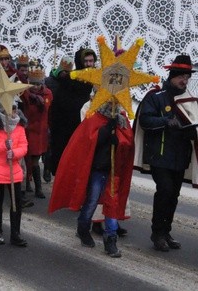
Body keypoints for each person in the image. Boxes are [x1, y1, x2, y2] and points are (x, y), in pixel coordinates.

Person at [49, 102, 134, 257]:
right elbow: (89, 140)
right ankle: (83, 228)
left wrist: (120, 141)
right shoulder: (94, 117)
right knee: (92, 201)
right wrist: (107, 130)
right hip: (98, 169)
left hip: (114, 170)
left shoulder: (122, 120)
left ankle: (111, 240)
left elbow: (128, 143)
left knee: (112, 204)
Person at [137, 54, 198, 252]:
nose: (184, 80)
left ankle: (166, 231)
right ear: (172, 76)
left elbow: (196, 125)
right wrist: (165, 122)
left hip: (179, 155)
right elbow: (145, 121)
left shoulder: (189, 100)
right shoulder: (155, 97)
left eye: (187, 77)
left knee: (173, 195)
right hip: (160, 154)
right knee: (164, 190)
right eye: (181, 76)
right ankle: (157, 233)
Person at [0, 102, 29, 247]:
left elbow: (24, 146)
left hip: (13, 171)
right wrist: (4, 145)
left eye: (15, 110)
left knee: (16, 205)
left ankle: (15, 234)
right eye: (11, 111)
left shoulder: (20, 128)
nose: (14, 114)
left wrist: (14, 153)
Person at [47, 49, 95, 176]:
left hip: (87, 124)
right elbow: (60, 104)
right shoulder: (70, 79)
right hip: (67, 126)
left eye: (91, 61)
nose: (89, 64)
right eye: (86, 61)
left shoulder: (96, 78)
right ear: (80, 62)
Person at [22, 63, 52, 199]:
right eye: (33, 83)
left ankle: (31, 182)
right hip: (28, 131)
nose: (35, 86)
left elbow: (47, 108)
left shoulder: (47, 94)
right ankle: (37, 188)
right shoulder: (24, 94)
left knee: (37, 157)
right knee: (31, 159)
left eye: (38, 83)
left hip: (41, 132)